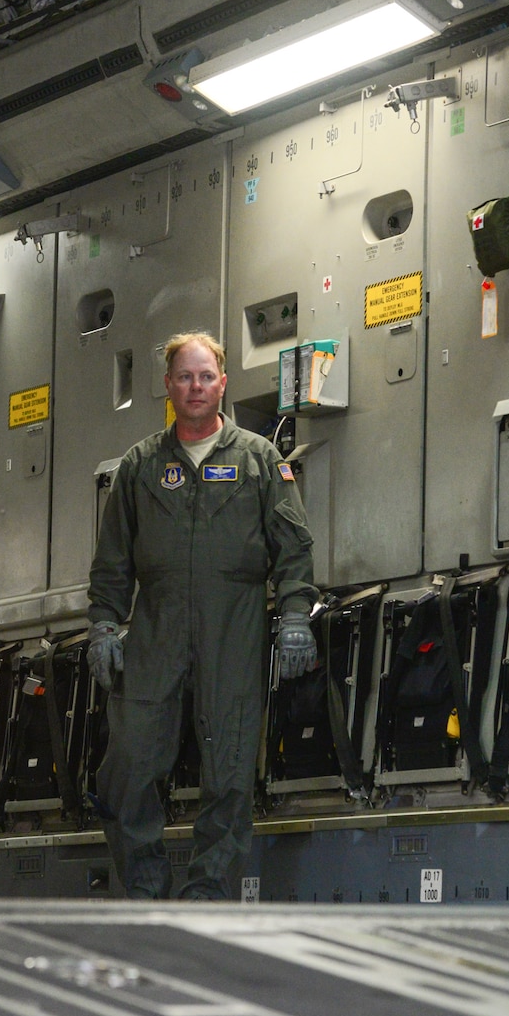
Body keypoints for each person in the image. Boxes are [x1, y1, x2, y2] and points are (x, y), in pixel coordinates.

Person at [87, 330, 318, 900]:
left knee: (231, 769)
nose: (196, 386)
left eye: (206, 376)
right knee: (128, 766)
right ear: (167, 386)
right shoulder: (140, 467)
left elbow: (293, 548)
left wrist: (294, 615)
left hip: (232, 628)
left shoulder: (260, 460)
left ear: (223, 384)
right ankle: (144, 887)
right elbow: (113, 560)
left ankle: (208, 891)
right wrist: (102, 624)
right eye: (184, 377)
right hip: (156, 630)